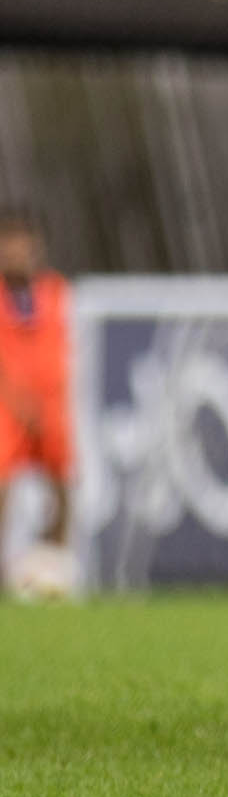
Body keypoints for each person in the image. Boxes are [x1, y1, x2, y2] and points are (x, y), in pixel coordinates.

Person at [0, 216, 73, 590]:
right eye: (8, 247)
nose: (15, 256)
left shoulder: (54, 291)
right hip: (6, 405)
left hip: (49, 405)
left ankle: (54, 568)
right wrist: (17, 400)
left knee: (63, 483)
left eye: (22, 247)